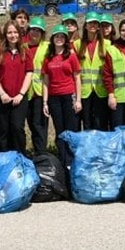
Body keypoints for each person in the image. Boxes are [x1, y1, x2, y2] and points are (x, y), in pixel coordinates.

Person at [0, 21, 32, 153]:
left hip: (19, 97)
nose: (13, 35)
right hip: (1, 98)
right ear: (5, 34)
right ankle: (3, 158)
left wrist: (21, 94)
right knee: (2, 130)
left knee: (17, 127)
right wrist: (1, 93)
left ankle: (20, 157)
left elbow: (29, 73)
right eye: (9, 32)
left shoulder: (25, 52)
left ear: (20, 33)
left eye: (15, 32)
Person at [41, 24, 82, 166]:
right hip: (54, 98)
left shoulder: (71, 56)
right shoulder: (48, 57)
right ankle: (63, 160)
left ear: (65, 39)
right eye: (57, 36)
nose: (59, 39)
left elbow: (77, 78)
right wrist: (45, 102)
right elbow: (45, 80)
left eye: (62, 37)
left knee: (70, 129)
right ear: (52, 39)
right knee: (59, 130)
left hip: (68, 95)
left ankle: (72, 161)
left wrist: (78, 100)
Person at [76, 12, 111, 132]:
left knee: (100, 122)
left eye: (95, 23)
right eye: (90, 22)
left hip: (101, 89)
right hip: (85, 90)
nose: (93, 25)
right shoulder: (77, 44)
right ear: (85, 26)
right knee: (86, 122)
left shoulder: (107, 44)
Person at [105, 18, 125, 129]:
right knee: (118, 129)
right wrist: (111, 95)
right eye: (123, 30)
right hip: (118, 97)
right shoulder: (112, 49)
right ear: (119, 31)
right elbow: (107, 74)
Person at [24, 17, 50, 153]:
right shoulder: (22, 47)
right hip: (26, 92)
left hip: (41, 92)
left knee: (39, 125)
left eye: (38, 31)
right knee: (29, 124)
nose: (35, 33)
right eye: (33, 30)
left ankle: (41, 154)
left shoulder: (47, 47)